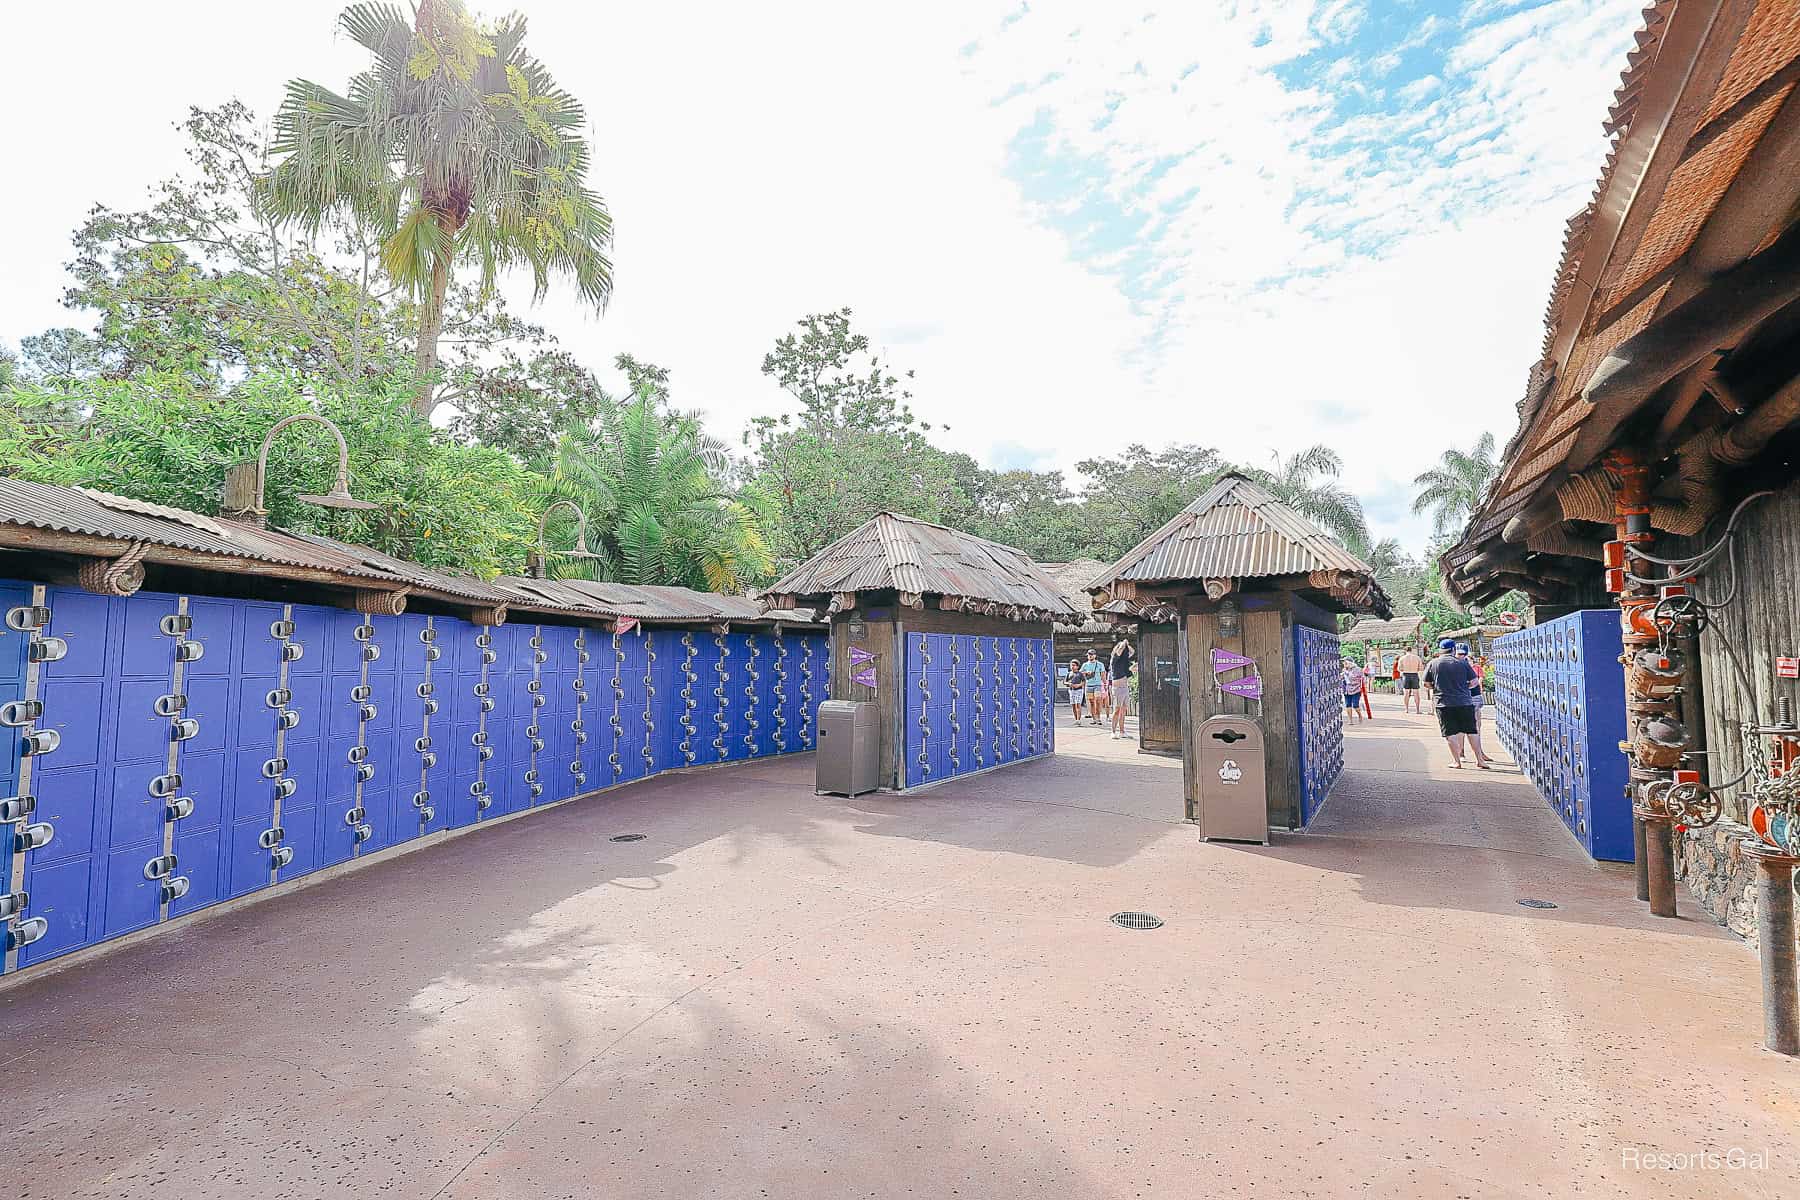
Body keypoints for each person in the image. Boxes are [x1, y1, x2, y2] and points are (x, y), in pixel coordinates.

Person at [1423, 637, 1490, 768]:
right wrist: (1464, 689)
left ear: (1441, 650)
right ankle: (1480, 760)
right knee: (1472, 731)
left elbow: (1426, 683)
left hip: (1444, 704)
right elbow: (1474, 682)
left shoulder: (1433, 663)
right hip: (1464, 702)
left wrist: (1436, 687)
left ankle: (1457, 761)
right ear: (1453, 649)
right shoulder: (1463, 663)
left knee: (1450, 733)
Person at [1108, 633, 1135, 740]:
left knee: (1123, 710)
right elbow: (1119, 651)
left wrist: (1127, 645)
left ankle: (1122, 731)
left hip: (1125, 687)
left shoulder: (1124, 659)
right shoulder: (1114, 658)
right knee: (1117, 709)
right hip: (1117, 688)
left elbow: (1132, 652)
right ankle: (1113, 732)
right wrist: (1123, 643)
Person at [1396, 644, 1425, 714]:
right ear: (1411, 650)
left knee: (1406, 693)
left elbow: (1399, 669)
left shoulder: (1402, 658)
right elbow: (1421, 668)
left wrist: (1405, 668)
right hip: (1414, 674)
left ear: (1405, 651)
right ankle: (1417, 710)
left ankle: (1406, 709)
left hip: (1406, 675)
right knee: (1416, 693)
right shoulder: (1417, 658)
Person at [1081, 649, 1106, 725]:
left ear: (1095, 655)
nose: (1090, 656)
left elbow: (1103, 674)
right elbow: (1080, 673)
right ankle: (1094, 719)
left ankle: (1098, 718)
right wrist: (1086, 672)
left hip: (1097, 685)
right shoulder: (1085, 664)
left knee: (1098, 700)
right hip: (1088, 685)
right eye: (1089, 654)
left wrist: (1105, 684)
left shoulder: (1100, 664)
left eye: (1091, 654)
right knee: (1091, 702)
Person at [1341, 656, 1366, 723]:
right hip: (1347, 690)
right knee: (1348, 705)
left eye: (1345, 662)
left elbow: (1362, 678)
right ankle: (1350, 720)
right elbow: (1342, 678)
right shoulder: (1344, 670)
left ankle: (1360, 715)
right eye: (1344, 662)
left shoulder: (1358, 669)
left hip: (1356, 690)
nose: (1344, 663)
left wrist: (1348, 675)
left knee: (1355, 705)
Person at [1066, 659, 1086, 723]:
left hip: (1079, 690)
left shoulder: (1080, 674)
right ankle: (1076, 719)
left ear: (1077, 666)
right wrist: (1069, 684)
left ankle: (1078, 719)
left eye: (1074, 665)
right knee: (1073, 705)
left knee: (1078, 704)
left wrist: (1079, 685)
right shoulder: (1069, 673)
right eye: (1071, 665)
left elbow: (1084, 681)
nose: (1072, 667)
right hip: (1071, 691)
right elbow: (1064, 682)